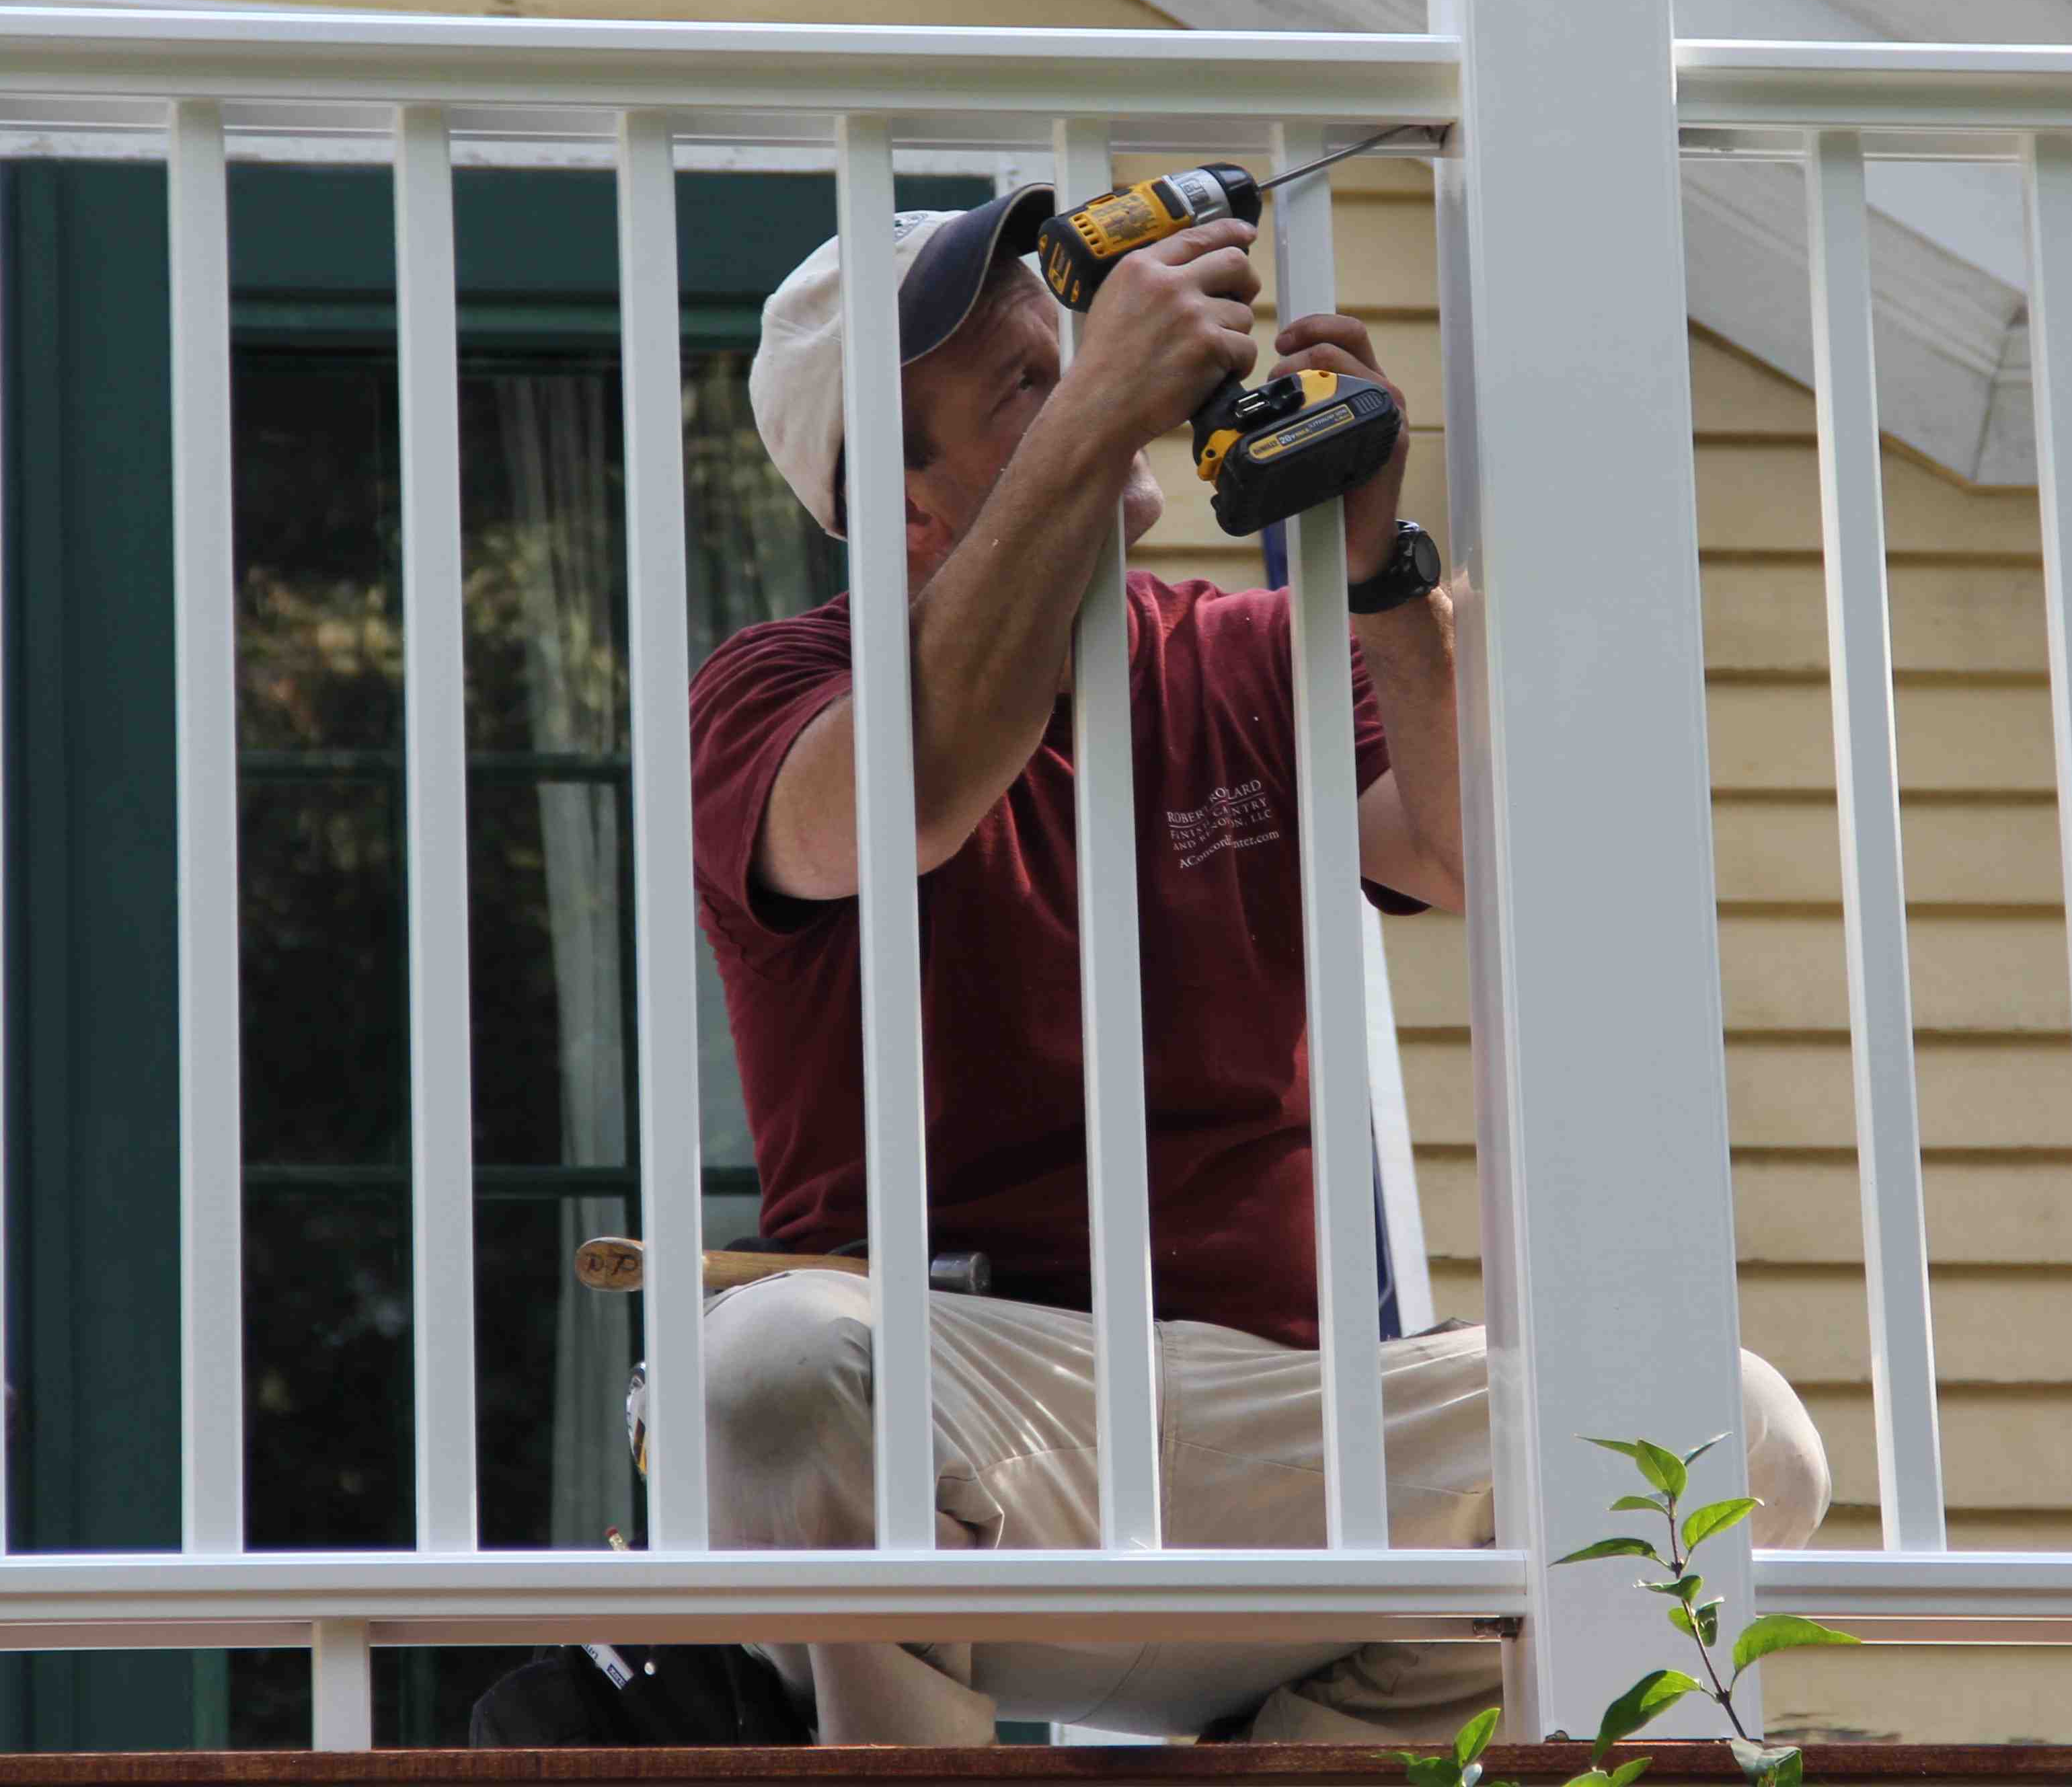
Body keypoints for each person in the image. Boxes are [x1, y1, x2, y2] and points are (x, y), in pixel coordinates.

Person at [685, 184, 1828, 1745]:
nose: (1101, 381)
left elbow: (1476, 861)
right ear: (902, 511)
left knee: (1730, 1434)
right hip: (981, 1415)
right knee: (770, 1368)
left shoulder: (1242, 656)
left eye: (1070, 354)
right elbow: (916, 792)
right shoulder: (770, 691)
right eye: (1028, 387)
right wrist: (1101, 413)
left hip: (1282, 1424)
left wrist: (1379, 575)